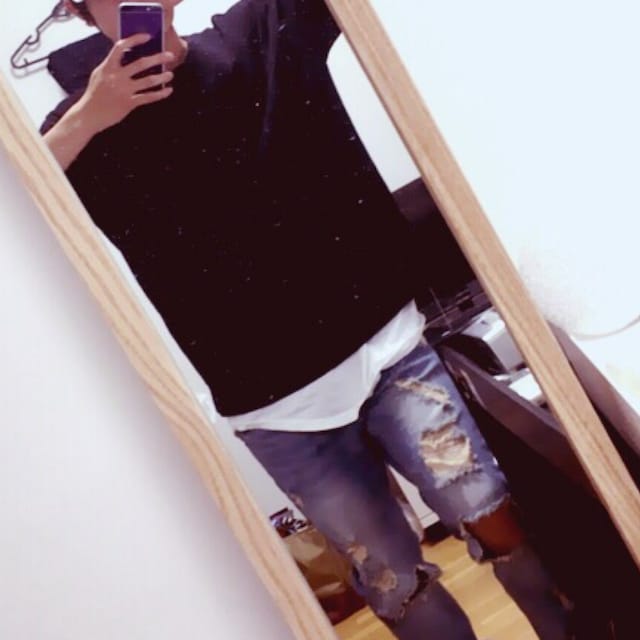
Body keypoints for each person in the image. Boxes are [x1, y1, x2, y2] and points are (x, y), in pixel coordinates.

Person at [42, 1, 572, 638]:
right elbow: (22, 211)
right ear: (79, 8)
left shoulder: (257, 33)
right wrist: (89, 116)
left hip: (387, 347)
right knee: (394, 582)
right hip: (278, 410)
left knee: (489, 510)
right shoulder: (81, 131)